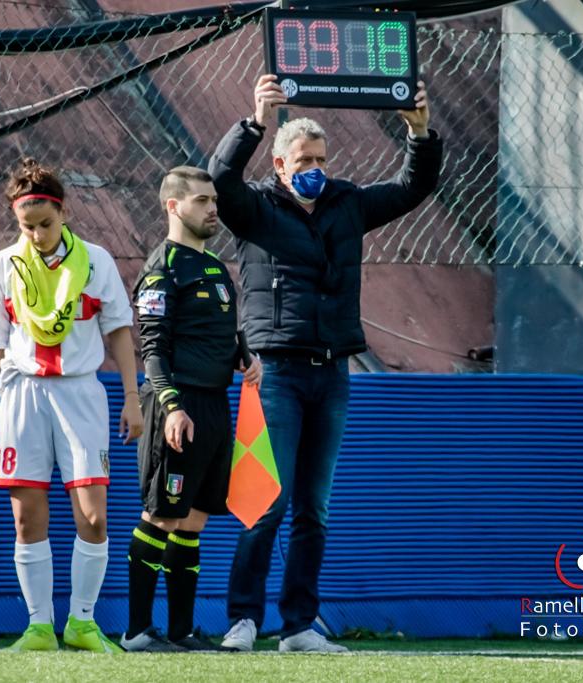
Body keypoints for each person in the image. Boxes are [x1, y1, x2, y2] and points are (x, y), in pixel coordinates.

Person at [208, 75, 443, 652]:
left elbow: (414, 186)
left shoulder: (347, 204)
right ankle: (243, 618)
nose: (314, 166)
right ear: (282, 165)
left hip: (333, 371)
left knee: (315, 507)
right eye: (303, 159)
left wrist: (420, 134)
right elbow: (219, 179)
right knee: (270, 499)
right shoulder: (257, 210)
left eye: (320, 157)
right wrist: (254, 123)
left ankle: (299, 625)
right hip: (278, 371)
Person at [0, 158, 144, 653]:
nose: (36, 234)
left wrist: (133, 399)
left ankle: (83, 622)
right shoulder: (3, 265)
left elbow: (118, 329)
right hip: (22, 394)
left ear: (64, 212)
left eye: (45, 224)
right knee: (28, 516)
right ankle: (39, 626)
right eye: (26, 226)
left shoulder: (96, 260)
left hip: (80, 393)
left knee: (93, 515)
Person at [121, 167, 263, 652]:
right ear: (173, 206)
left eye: (214, 201)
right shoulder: (162, 268)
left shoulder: (215, 267)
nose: (213, 210)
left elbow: (221, 329)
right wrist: (172, 406)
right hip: (177, 405)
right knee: (160, 515)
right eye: (202, 201)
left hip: (216, 405)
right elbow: (153, 348)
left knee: (195, 519)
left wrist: (245, 355)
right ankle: (137, 631)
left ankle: (180, 631)